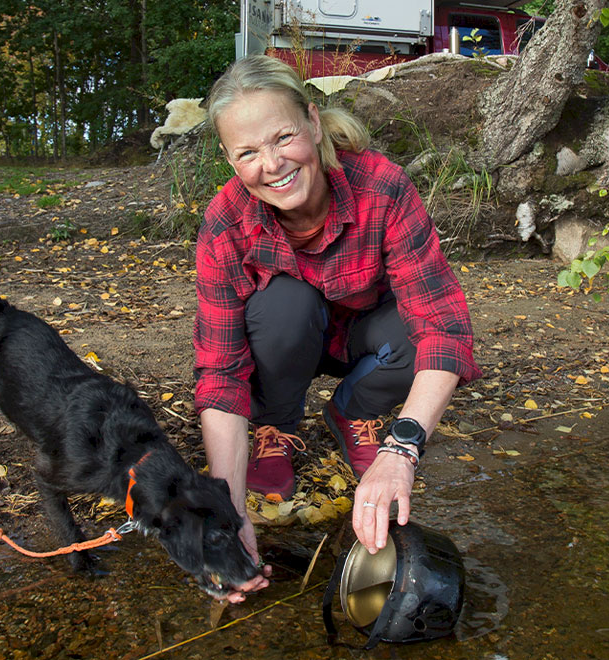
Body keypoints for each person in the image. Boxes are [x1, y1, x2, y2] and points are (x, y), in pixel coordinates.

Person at [194, 55, 481, 603]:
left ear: (313, 122)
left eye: (283, 137)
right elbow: (221, 372)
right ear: (230, 160)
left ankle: (353, 411)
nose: (272, 165)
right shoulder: (224, 224)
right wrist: (226, 512)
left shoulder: (381, 186)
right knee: (285, 303)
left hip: (364, 340)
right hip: (283, 341)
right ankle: (275, 426)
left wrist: (403, 449)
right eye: (248, 153)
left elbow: (444, 330)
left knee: (414, 335)